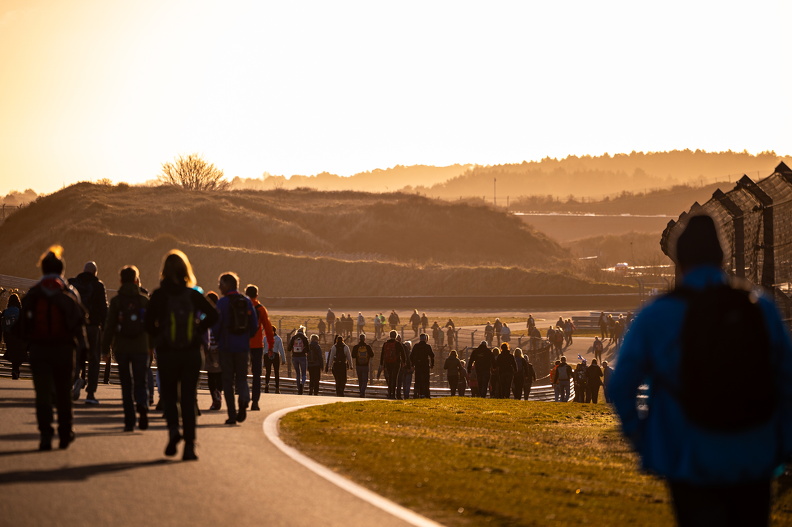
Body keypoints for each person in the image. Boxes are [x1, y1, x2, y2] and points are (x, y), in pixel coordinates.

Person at [610, 214, 792, 526]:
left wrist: (643, 439)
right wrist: (783, 442)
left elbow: (620, 384)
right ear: (722, 259)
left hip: (687, 453)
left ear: (679, 261)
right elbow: (787, 379)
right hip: (754, 452)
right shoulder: (759, 308)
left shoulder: (657, 314)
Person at [146, 250, 217, 460]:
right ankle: (190, 445)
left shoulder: (159, 295)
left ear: (164, 271)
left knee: (169, 395)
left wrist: (160, 335)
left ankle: (173, 431)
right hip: (191, 352)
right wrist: (197, 329)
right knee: (188, 397)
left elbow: (147, 323)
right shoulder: (192, 295)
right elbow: (214, 315)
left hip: (167, 352)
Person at [18, 246, 87, 451]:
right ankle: (65, 432)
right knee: (64, 393)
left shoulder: (33, 293)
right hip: (64, 350)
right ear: (61, 270)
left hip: (39, 350)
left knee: (43, 394)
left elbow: (21, 326)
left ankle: (45, 435)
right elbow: (79, 323)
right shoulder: (69, 292)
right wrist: (83, 350)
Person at [101, 265, 150, 432]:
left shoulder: (116, 301)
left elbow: (109, 327)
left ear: (121, 280)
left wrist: (105, 349)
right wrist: (152, 345)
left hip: (121, 347)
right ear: (136, 280)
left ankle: (130, 421)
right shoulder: (144, 301)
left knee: (126, 384)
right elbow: (151, 326)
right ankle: (142, 404)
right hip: (141, 346)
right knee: (141, 381)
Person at [213, 272, 257, 426]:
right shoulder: (246, 302)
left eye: (221, 284)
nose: (219, 287)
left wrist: (218, 341)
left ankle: (232, 414)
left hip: (226, 347)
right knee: (242, 378)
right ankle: (244, 399)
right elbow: (254, 325)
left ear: (227, 285)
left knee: (227, 382)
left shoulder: (222, 303)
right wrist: (245, 338)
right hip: (243, 347)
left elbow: (216, 327)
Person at [69, 260, 108, 404]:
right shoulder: (98, 286)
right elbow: (103, 309)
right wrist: (105, 329)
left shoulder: (72, 283)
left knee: (75, 356)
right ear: (95, 273)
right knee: (94, 360)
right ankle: (90, 393)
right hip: (93, 327)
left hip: (75, 327)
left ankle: (75, 380)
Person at [245, 285, 274, 411]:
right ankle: (255, 402)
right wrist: (270, 346)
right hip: (257, 345)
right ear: (257, 295)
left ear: (246, 294)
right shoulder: (261, 309)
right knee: (257, 375)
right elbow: (268, 329)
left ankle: (244, 398)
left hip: (243, 345)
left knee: (242, 373)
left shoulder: (241, 307)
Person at [204, 291, 222, 411]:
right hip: (220, 348)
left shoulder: (205, 314)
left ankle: (215, 398)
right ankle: (218, 393)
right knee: (219, 374)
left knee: (211, 375)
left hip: (209, 348)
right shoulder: (221, 314)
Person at [1, 293, 26, 379]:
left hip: (8, 336)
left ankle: (15, 369)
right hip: (18, 336)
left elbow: (2, 325)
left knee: (11, 352)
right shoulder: (21, 312)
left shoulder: (5, 312)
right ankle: (15, 369)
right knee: (18, 353)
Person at [378, 330, 406, 399]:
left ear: (390, 335)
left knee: (390, 378)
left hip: (387, 363)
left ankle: (389, 393)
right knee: (395, 378)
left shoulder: (385, 344)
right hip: (396, 363)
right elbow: (403, 353)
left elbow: (382, 354)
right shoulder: (398, 344)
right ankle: (393, 394)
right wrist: (404, 362)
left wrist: (381, 363)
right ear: (396, 336)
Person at [410, 333, 435, 398]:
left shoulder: (416, 346)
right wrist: (432, 364)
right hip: (425, 365)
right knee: (426, 380)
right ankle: (426, 394)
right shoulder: (427, 346)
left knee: (417, 380)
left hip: (418, 365)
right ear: (425, 339)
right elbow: (432, 356)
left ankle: (417, 394)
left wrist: (412, 364)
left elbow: (411, 356)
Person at [288, 326, 310, 395]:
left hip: (294, 357)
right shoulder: (305, 338)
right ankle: (302, 385)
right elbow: (308, 349)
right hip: (302, 357)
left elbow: (288, 348)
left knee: (297, 373)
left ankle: (298, 387)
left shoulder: (293, 338)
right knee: (304, 373)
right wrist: (304, 351)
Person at [264, 328, 286, 394]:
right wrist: (283, 359)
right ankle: (270, 386)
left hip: (270, 355)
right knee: (271, 372)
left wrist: (283, 358)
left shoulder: (266, 338)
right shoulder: (277, 339)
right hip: (271, 355)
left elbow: (281, 349)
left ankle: (274, 387)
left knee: (273, 372)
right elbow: (281, 349)